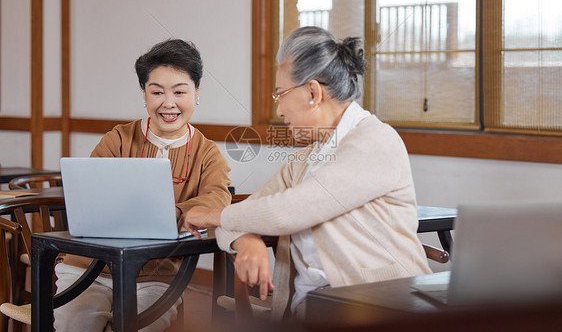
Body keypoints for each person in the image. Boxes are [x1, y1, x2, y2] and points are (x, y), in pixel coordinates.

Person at [180, 26, 432, 321]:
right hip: (314, 309)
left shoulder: (376, 141)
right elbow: (249, 214)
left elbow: (290, 211)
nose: (280, 110)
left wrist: (213, 215)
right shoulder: (304, 160)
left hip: (382, 307)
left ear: (313, 92)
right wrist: (247, 240)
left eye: (280, 94)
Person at [54, 39, 232, 332]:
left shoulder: (207, 152)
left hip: (157, 274)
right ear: (145, 94)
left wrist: (171, 210)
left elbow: (217, 198)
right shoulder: (118, 138)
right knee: (76, 324)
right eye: (157, 91)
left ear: (196, 92)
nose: (169, 103)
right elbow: (90, 190)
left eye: (179, 91)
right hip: (88, 266)